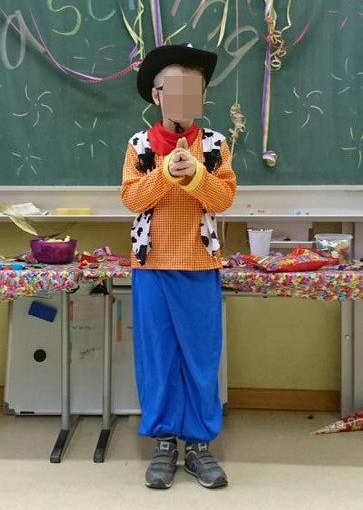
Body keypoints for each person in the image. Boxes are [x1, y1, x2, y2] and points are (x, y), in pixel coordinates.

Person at [120, 44, 237, 489]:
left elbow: (223, 199)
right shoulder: (139, 145)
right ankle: (165, 441)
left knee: (201, 357)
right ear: (156, 95)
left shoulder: (215, 145)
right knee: (158, 356)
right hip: (151, 267)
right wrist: (165, 173)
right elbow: (131, 198)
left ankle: (199, 445)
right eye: (174, 89)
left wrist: (196, 175)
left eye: (193, 89)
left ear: (202, 96)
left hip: (200, 265)